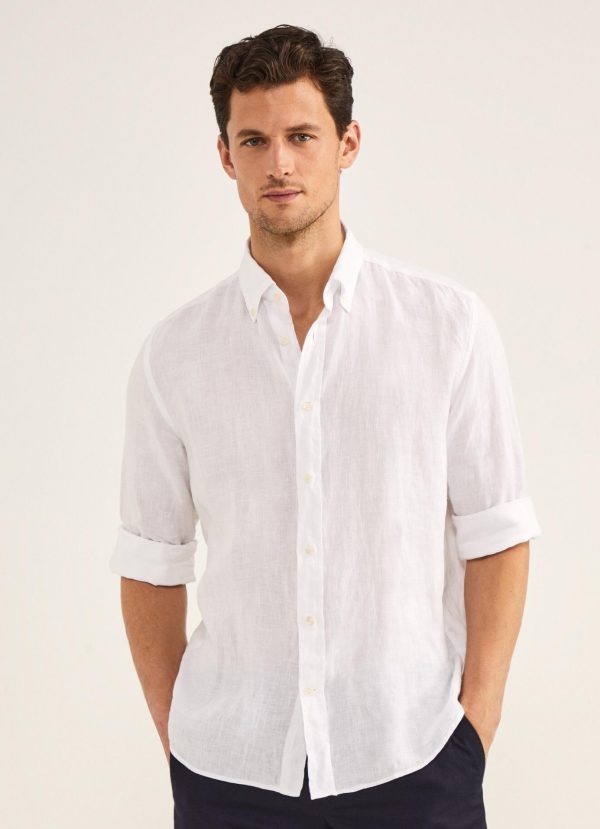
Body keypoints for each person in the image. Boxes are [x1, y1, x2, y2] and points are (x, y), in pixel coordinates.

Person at [109, 22, 542, 829]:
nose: (279, 162)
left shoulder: (448, 327)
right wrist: (180, 738)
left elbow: (497, 532)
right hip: (230, 766)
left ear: (347, 144)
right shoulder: (175, 355)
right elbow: (150, 558)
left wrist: (475, 728)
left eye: (302, 136)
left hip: (413, 755)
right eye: (254, 140)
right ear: (225, 155)